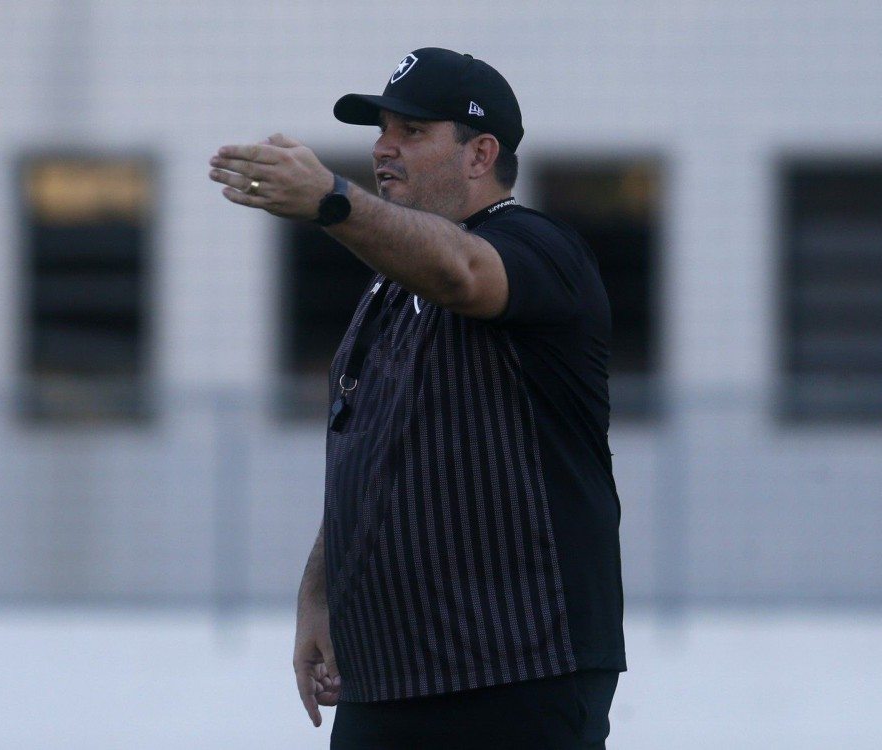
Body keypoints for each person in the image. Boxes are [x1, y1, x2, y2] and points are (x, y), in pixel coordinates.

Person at [209, 47, 626, 749]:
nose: (383, 149)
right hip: (393, 673)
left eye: (412, 131)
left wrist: (332, 201)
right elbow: (374, 452)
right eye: (381, 132)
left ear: (480, 154)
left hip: (520, 666)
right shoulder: (388, 285)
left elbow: (462, 271)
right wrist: (320, 592)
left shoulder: (539, 246)